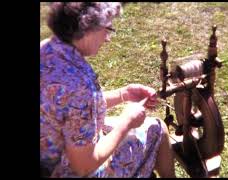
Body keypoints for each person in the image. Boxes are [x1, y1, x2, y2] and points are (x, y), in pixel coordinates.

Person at [40, 2, 175, 178]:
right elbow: (83, 166)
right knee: (157, 129)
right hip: (66, 171)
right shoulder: (80, 86)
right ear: (89, 28)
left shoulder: (46, 49)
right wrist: (126, 123)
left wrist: (123, 94)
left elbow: (69, 109)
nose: (107, 38)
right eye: (108, 28)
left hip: (48, 153)